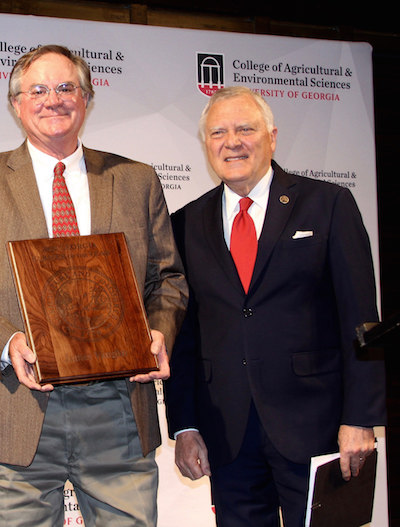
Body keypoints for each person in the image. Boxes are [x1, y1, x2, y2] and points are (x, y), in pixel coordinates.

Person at [0, 44, 187, 526]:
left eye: (66, 87)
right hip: (12, 406)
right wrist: (7, 342)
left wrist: (157, 329)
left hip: (118, 412)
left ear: (86, 98)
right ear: (16, 104)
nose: (53, 99)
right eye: (38, 90)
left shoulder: (137, 180)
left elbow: (167, 280)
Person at [165, 86, 385, 527]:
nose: (233, 142)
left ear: (273, 137)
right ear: (206, 143)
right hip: (226, 435)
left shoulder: (328, 204)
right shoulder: (185, 224)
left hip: (317, 427)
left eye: (246, 129)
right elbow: (183, 337)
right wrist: (185, 426)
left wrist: (360, 418)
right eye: (218, 132)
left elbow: (361, 321)